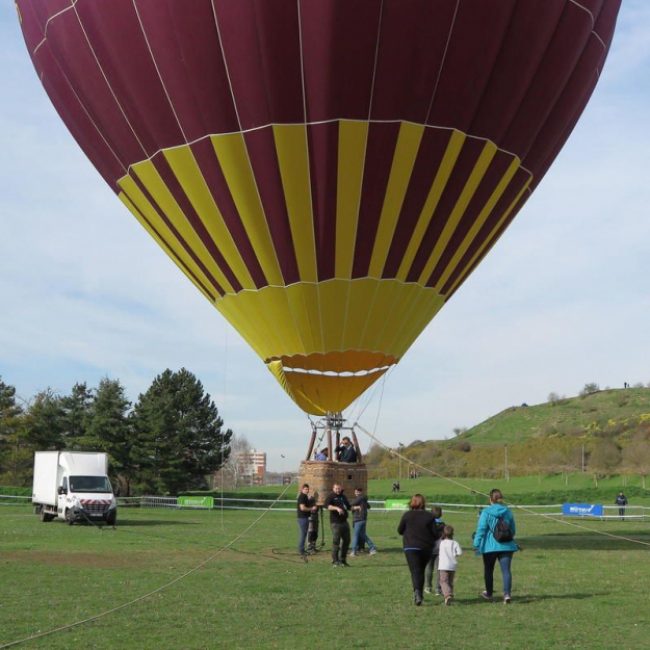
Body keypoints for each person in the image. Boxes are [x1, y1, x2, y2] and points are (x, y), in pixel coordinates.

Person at [473, 488, 518, 604]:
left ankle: (489, 593)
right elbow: (513, 530)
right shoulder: (508, 511)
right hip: (507, 546)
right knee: (506, 571)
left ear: (490, 499)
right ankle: (507, 594)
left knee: (488, 570)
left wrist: (476, 544)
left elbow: (481, 529)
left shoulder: (486, 512)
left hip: (489, 547)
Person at [397, 494, 438, 606]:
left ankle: (417, 593)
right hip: (426, 547)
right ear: (423, 503)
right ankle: (419, 594)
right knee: (420, 570)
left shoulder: (407, 515)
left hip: (411, 547)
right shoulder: (430, 516)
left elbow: (400, 530)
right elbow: (435, 534)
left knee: (415, 571)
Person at [324, 483, 351, 566]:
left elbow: (349, 507)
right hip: (335, 523)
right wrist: (337, 508)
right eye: (336, 488)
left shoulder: (343, 496)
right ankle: (335, 560)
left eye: (339, 488)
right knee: (336, 541)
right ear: (333, 488)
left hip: (344, 522)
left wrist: (356, 507)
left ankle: (343, 560)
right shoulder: (331, 496)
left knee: (347, 541)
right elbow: (327, 506)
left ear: (341, 488)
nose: (337, 490)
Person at [438, 525, 463, 605]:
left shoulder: (441, 543)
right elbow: (459, 552)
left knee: (443, 581)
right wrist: (454, 554)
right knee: (450, 582)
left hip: (443, 565)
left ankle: (448, 595)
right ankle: (450, 598)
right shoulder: (455, 543)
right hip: (452, 565)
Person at [349, 487, 378, 557]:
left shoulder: (360, 498)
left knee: (355, 535)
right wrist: (356, 507)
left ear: (361, 492)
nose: (356, 493)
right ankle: (372, 548)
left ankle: (353, 551)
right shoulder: (363, 499)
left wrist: (353, 506)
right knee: (362, 535)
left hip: (359, 519)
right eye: (355, 492)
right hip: (362, 519)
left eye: (358, 492)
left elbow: (351, 504)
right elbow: (368, 506)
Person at [424, 505, 445, 595]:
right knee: (439, 569)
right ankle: (438, 589)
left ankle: (428, 587)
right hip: (440, 550)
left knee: (429, 568)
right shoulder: (444, 525)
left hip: (429, 549)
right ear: (441, 514)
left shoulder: (427, 525)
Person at [297, 483, 316, 556]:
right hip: (302, 518)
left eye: (308, 489)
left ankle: (302, 550)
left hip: (304, 518)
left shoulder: (305, 496)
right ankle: (301, 550)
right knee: (303, 534)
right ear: (302, 489)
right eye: (305, 489)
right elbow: (302, 508)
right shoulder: (302, 497)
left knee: (304, 534)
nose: (307, 490)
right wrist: (312, 508)